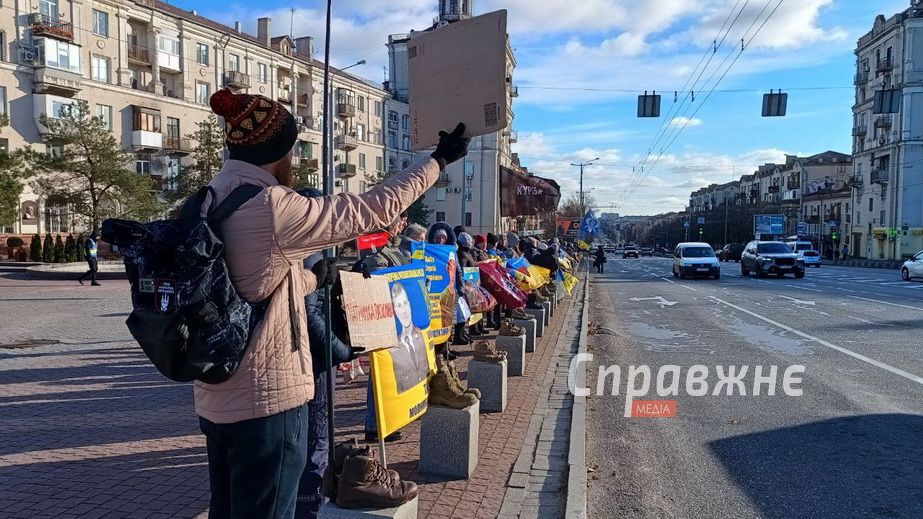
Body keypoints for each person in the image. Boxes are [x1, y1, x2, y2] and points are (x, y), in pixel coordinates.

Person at [195, 87, 468, 518]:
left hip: (215, 394)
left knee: (226, 510)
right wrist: (437, 161)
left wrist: (307, 277)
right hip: (267, 401)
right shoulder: (273, 205)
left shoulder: (208, 197)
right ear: (279, 153)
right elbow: (371, 209)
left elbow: (247, 283)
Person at [388, 282, 431, 393]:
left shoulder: (421, 337)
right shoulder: (393, 349)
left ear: (410, 304)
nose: (404, 311)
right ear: (394, 310)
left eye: (405, 303)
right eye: (398, 305)